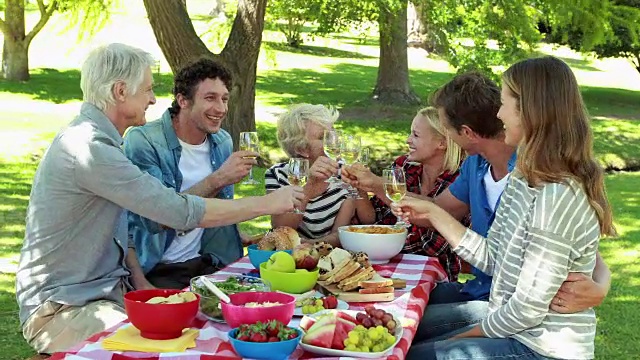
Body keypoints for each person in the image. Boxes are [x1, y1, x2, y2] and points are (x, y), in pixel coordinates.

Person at [15, 43, 304, 354]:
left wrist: (141, 284)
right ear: (121, 91)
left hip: (109, 293)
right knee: (162, 349)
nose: (153, 99)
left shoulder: (101, 142)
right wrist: (268, 203)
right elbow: (174, 210)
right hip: (62, 306)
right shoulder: (89, 148)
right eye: (148, 90)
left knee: (203, 334)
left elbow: (120, 228)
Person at [396, 56, 615, 359]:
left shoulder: (556, 196)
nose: (498, 114)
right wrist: (434, 213)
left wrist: (457, 338)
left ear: (531, 112)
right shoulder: (525, 178)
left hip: (542, 347)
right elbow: (492, 256)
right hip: (512, 325)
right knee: (403, 337)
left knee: (413, 352)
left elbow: (525, 311)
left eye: (504, 104)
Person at [124, 58, 253, 289]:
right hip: (157, 269)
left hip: (208, 263)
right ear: (183, 100)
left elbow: (220, 203)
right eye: (210, 98)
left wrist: (233, 233)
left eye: (225, 99)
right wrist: (220, 178)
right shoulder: (143, 141)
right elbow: (156, 217)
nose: (221, 109)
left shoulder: (222, 141)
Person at [342, 107, 468, 281]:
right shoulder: (404, 166)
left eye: (415, 135)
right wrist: (359, 186)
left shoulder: (461, 178)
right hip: (383, 270)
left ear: (442, 143)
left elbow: (434, 246)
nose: (408, 140)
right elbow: (371, 220)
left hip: (432, 278)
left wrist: (379, 186)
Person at [265, 104, 357, 246]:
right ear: (301, 149)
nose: (334, 141)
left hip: (332, 256)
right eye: (323, 137)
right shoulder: (278, 175)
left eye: (332, 133)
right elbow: (281, 230)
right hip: (289, 260)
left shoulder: (343, 175)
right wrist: (309, 186)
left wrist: (307, 246)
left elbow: (340, 235)